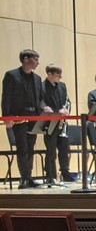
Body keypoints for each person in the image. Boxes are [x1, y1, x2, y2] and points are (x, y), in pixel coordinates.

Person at [2, 50, 52, 189]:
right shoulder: (11, 75)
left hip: (33, 117)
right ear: (26, 59)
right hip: (18, 118)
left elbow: (40, 99)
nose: (37, 63)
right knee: (22, 147)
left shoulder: (37, 78)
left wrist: (44, 107)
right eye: (35, 59)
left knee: (30, 147)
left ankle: (28, 177)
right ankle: (24, 178)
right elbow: (6, 97)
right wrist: (7, 116)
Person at [41, 64, 72, 186]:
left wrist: (66, 109)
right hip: (49, 122)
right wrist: (51, 110)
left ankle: (65, 172)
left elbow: (66, 101)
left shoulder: (62, 86)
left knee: (64, 149)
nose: (60, 77)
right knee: (51, 149)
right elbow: (42, 102)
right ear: (49, 74)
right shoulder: (42, 86)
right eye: (58, 75)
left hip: (62, 122)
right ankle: (50, 174)